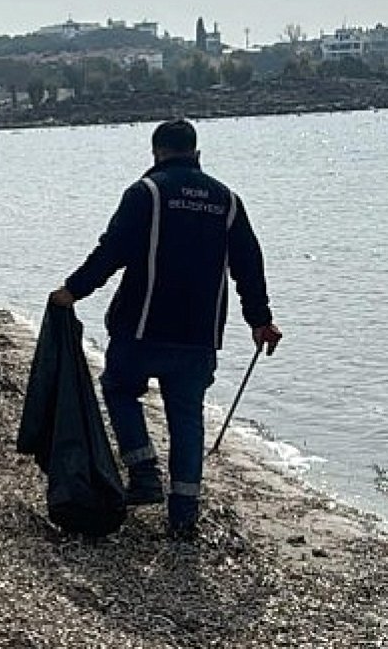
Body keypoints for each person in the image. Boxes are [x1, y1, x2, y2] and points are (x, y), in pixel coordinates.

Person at [48, 118, 283, 540]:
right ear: (197, 153)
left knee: (119, 389)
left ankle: (143, 473)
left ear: (156, 153)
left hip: (141, 327)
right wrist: (261, 321)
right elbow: (249, 264)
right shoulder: (226, 201)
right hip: (197, 337)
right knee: (186, 417)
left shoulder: (146, 193)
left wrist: (73, 291)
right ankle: (183, 516)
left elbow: (111, 251)